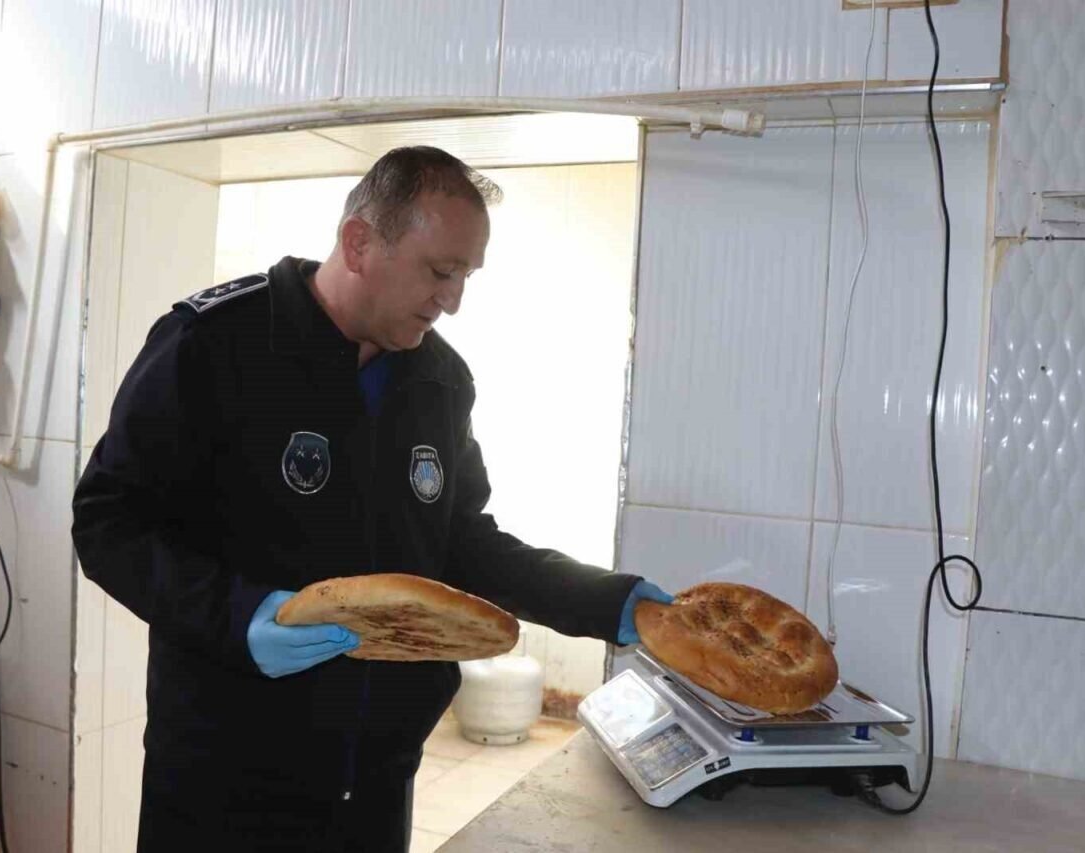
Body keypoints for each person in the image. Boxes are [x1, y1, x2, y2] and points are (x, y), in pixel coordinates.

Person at [72, 146, 672, 852]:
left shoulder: (440, 382)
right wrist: (237, 617)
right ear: (359, 242)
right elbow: (108, 520)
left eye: (466, 275)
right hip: (223, 778)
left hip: (378, 785)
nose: (454, 300)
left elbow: (460, 544)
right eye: (441, 271)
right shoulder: (217, 345)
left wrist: (609, 601)